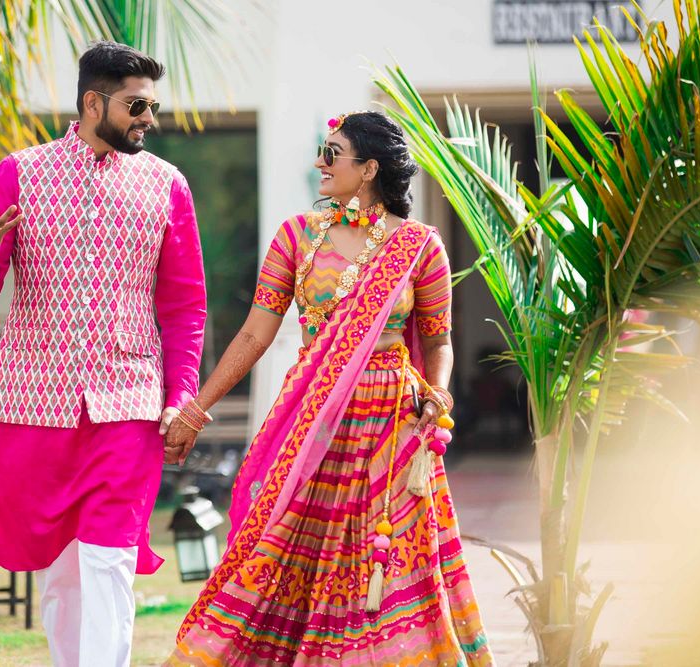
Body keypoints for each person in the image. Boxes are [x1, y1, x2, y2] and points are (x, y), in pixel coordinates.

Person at [164, 111, 493, 665]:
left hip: (393, 430)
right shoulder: (295, 237)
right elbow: (253, 333)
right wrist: (196, 410)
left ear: (368, 169)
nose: (320, 162)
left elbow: (438, 342)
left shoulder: (418, 246)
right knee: (290, 552)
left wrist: (438, 395)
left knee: (387, 563)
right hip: (316, 423)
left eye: (331, 152)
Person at [0, 41, 206, 667]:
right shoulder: (22, 173)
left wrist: (180, 397)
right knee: (61, 571)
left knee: (109, 558)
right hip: (37, 401)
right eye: (136, 105)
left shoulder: (167, 186)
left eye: (152, 105)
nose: (149, 118)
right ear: (94, 103)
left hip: (128, 405)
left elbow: (184, 307)